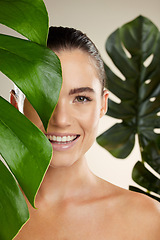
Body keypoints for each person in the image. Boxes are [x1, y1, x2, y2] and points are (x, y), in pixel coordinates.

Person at [11, 26, 160, 240]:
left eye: (81, 98)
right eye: (42, 97)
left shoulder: (148, 220)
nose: (61, 120)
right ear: (16, 104)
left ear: (102, 105)